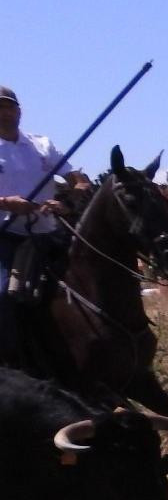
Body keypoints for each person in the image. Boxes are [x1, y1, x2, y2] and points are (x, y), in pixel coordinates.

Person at [0, 85, 75, 367]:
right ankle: (12, 366)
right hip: (7, 237)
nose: (5, 114)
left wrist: (69, 197)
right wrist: (7, 202)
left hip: (49, 233)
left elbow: (76, 178)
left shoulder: (42, 144)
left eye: (9, 107)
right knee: (3, 294)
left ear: (19, 111)